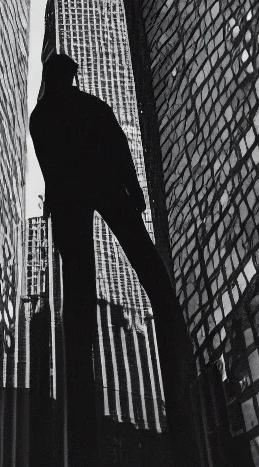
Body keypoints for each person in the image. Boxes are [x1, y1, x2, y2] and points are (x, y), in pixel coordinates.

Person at [29, 53, 201, 467]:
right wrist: (133, 190)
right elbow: (117, 145)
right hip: (99, 184)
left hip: (71, 196)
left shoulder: (40, 117)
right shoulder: (89, 106)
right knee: (147, 269)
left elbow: (52, 165)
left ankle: (80, 383)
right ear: (68, 77)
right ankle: (167, 312)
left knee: (79, 298)